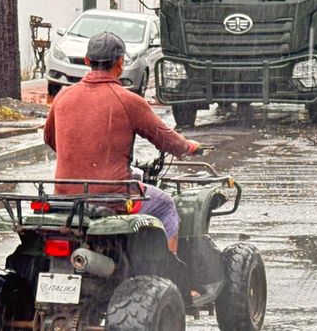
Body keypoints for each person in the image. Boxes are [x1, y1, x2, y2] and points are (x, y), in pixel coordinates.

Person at [44, 32, 200, 254]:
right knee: (165, 204)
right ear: (120, 62)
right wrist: (188, 146)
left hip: (65, 197)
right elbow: (167, 140)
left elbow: (50, 139)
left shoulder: (62, 96)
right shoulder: (129, 101)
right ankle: (170, 278)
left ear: (87, 61)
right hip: (112, 199)